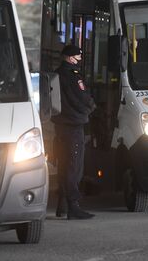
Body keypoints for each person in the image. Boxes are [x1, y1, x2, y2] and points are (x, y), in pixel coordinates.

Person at [52, 44, 96, 220]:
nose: (79, 60)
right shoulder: (73, 76)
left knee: (63, 165)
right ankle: (73, 207)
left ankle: (62, 205)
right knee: (73, 166)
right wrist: (91, 107)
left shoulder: (55, 75)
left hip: (60, 126)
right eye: (78, 57)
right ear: (70, 58)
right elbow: (82, 98)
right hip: (73, 126)